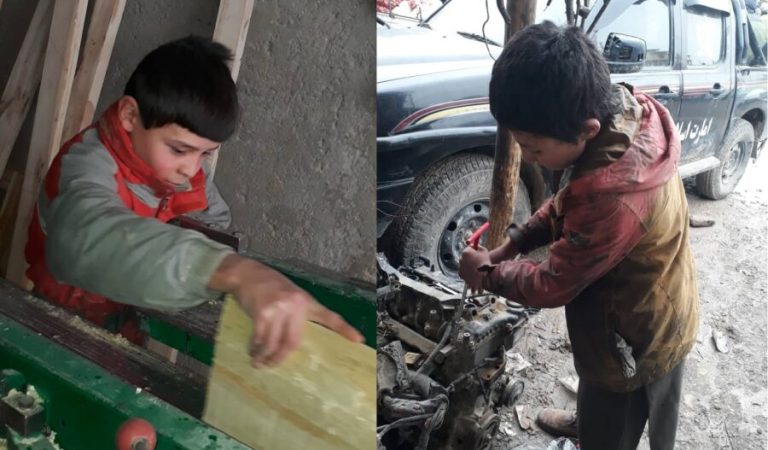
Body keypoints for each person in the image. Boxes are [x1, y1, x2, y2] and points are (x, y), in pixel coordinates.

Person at [25, 36, 362, 368]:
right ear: (130, 115)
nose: (191, 167)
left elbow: (213, 221)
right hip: (60, 318)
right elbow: (83, 243)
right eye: (179, 149)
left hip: (130, 315)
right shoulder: (87, 163)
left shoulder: (180, 172)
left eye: (205, 154)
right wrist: (228, 271)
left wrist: (234, 265)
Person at [459, 22, 699, 449]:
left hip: (639, 334)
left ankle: (600, 433)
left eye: (533, 148)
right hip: (641, 297)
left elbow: (553, 283)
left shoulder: (614, 198)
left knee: (617, 405)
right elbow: (569, 199)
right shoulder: (619, 114)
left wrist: (489, 276)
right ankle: (589, 421)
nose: (530, 158)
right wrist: (512, 244)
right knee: (599, 394)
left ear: (586, 129)